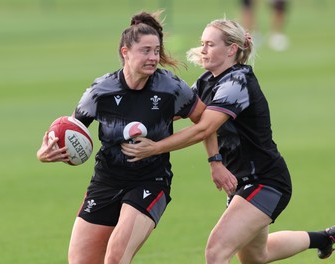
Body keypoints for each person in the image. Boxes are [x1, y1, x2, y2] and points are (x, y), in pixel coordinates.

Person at [121, 18, 334, 263]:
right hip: (239, 182)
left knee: (217, 250)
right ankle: (325, 238)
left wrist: (155, 148)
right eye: (202, 43)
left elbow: (204, 129)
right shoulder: (206, 81)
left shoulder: (237, 82)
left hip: (265, 181)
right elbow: (171, 111)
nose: (203, 50)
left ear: (231, 49)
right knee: (256, 256)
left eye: (210, 44)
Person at [36, 10, 210, 264]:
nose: (153, 58)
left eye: (156, 51)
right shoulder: (100, 91)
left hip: (150, 181)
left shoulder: (170, 88)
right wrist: (46, 153)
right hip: (106, 181)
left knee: (116, 257)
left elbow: (205, 123)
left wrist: (213, 160)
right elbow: (71, 128)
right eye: (146, 51)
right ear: (125, 52)